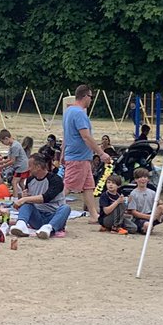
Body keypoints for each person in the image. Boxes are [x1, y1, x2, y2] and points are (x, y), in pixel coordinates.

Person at [62, 85, 111, 224]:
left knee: (89, 186)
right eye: (91, 97)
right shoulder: (79, 113)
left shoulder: (68, 111)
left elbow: (66, 134)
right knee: (68, 186)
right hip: (78, 157)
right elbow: (86, 136)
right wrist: (101, 153)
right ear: (85, 96)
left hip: (79, 156)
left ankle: (94, 215)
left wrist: (63, 151)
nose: (91, 100)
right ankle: (51, 209)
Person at [10, 153, 71, 240]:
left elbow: (46, 197)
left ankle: (48, 228)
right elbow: (28, 200)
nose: (28, 169)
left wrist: (25, 199)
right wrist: (24, 197)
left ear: (38, 167)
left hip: (53, 216)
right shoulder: (30, 180)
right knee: (26, 204)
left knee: (66, 208)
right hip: (37, 216)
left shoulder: (55, 180)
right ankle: (21, 224)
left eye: (30, 166)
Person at [126, 167, 163, 238]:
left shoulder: (152, 192)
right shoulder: (133, 194)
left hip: (152, 215)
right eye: (140, 177)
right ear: (136, 179)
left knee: (162, 207)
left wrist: (162, 204)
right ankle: (147, 227)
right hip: (140, 218)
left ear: (148, 179)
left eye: (145, 177)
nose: (143, 179)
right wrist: (148, 217)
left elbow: (161, 204)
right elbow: (133, 212)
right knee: (147, 226)